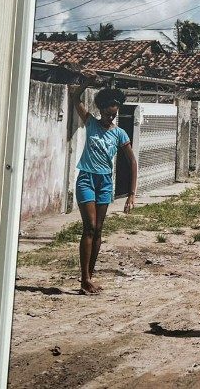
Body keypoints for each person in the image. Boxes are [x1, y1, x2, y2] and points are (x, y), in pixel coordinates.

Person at [71, 72, 137, 294]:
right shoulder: (90, 122)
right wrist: (87, 82)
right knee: (89, 227)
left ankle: (89, 277)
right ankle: (84, 279)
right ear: (101, 109)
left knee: (98, 230)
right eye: (109, 113)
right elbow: (75, 98)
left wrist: (132, 194)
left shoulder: (119, 134)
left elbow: (132, 161)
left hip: (105, 182)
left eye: (115, 114)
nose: (112, 117)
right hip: (86, 179)